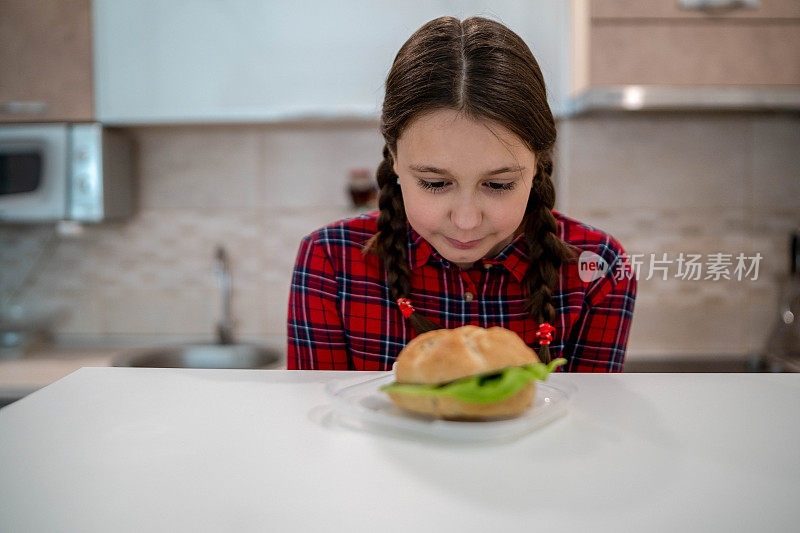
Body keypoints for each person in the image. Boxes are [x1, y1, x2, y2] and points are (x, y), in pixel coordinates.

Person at [287, 16, 636, 372]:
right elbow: (318, 424)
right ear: (393, 158)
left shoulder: (598, 267)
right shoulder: (329, 260)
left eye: (498, 185)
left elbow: (589, 425)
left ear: (537, 164)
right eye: (435, 184)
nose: (466, 221)